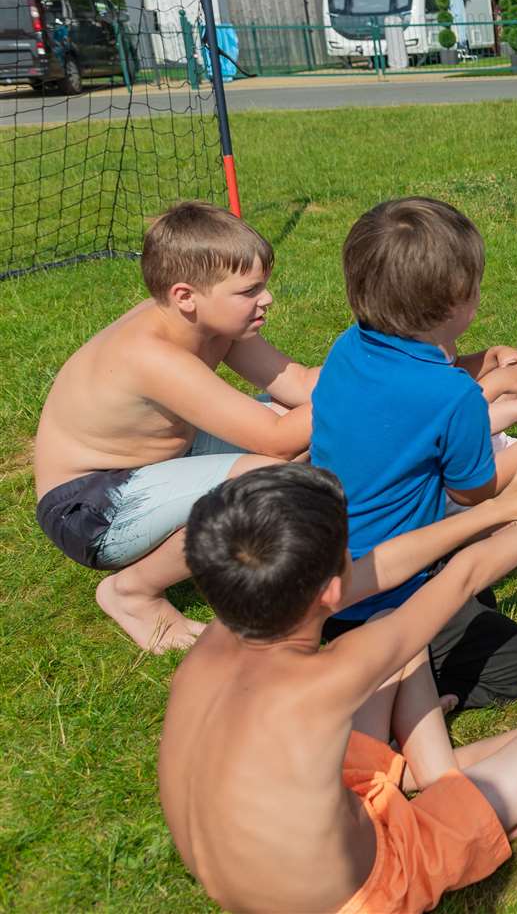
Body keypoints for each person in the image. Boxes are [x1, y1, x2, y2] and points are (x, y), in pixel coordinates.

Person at [160, 454, 517, 914]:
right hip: (366, 893)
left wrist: (499, 511)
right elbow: (464, 577)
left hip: (266, 872)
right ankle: (456, 809)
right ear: (331, 591)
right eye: (350, 551)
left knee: (388, 621)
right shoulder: (328, 681)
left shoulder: (218, 637)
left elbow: (387, 566)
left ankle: (444, 784)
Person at [314, 198, 517, 712]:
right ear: (460, 299)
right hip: (386, 589)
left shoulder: (348, 346)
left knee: (480, 594)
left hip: (324, 566)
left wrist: (493, 377)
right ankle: (409, 690)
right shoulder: (451, 394)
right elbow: (475, 490)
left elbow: (417, 416)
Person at [33, 201, 317, 653]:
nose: (266, 299)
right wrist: (362, 391)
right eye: (249, 290)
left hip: (161, 462)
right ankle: (133, 593)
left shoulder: (214, 322)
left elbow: (299, 384)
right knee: (273, 479)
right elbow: (278, 444)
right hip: (88, 506)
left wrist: (389, 366)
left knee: (301, 430)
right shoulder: (150, 354)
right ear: (186, 296)